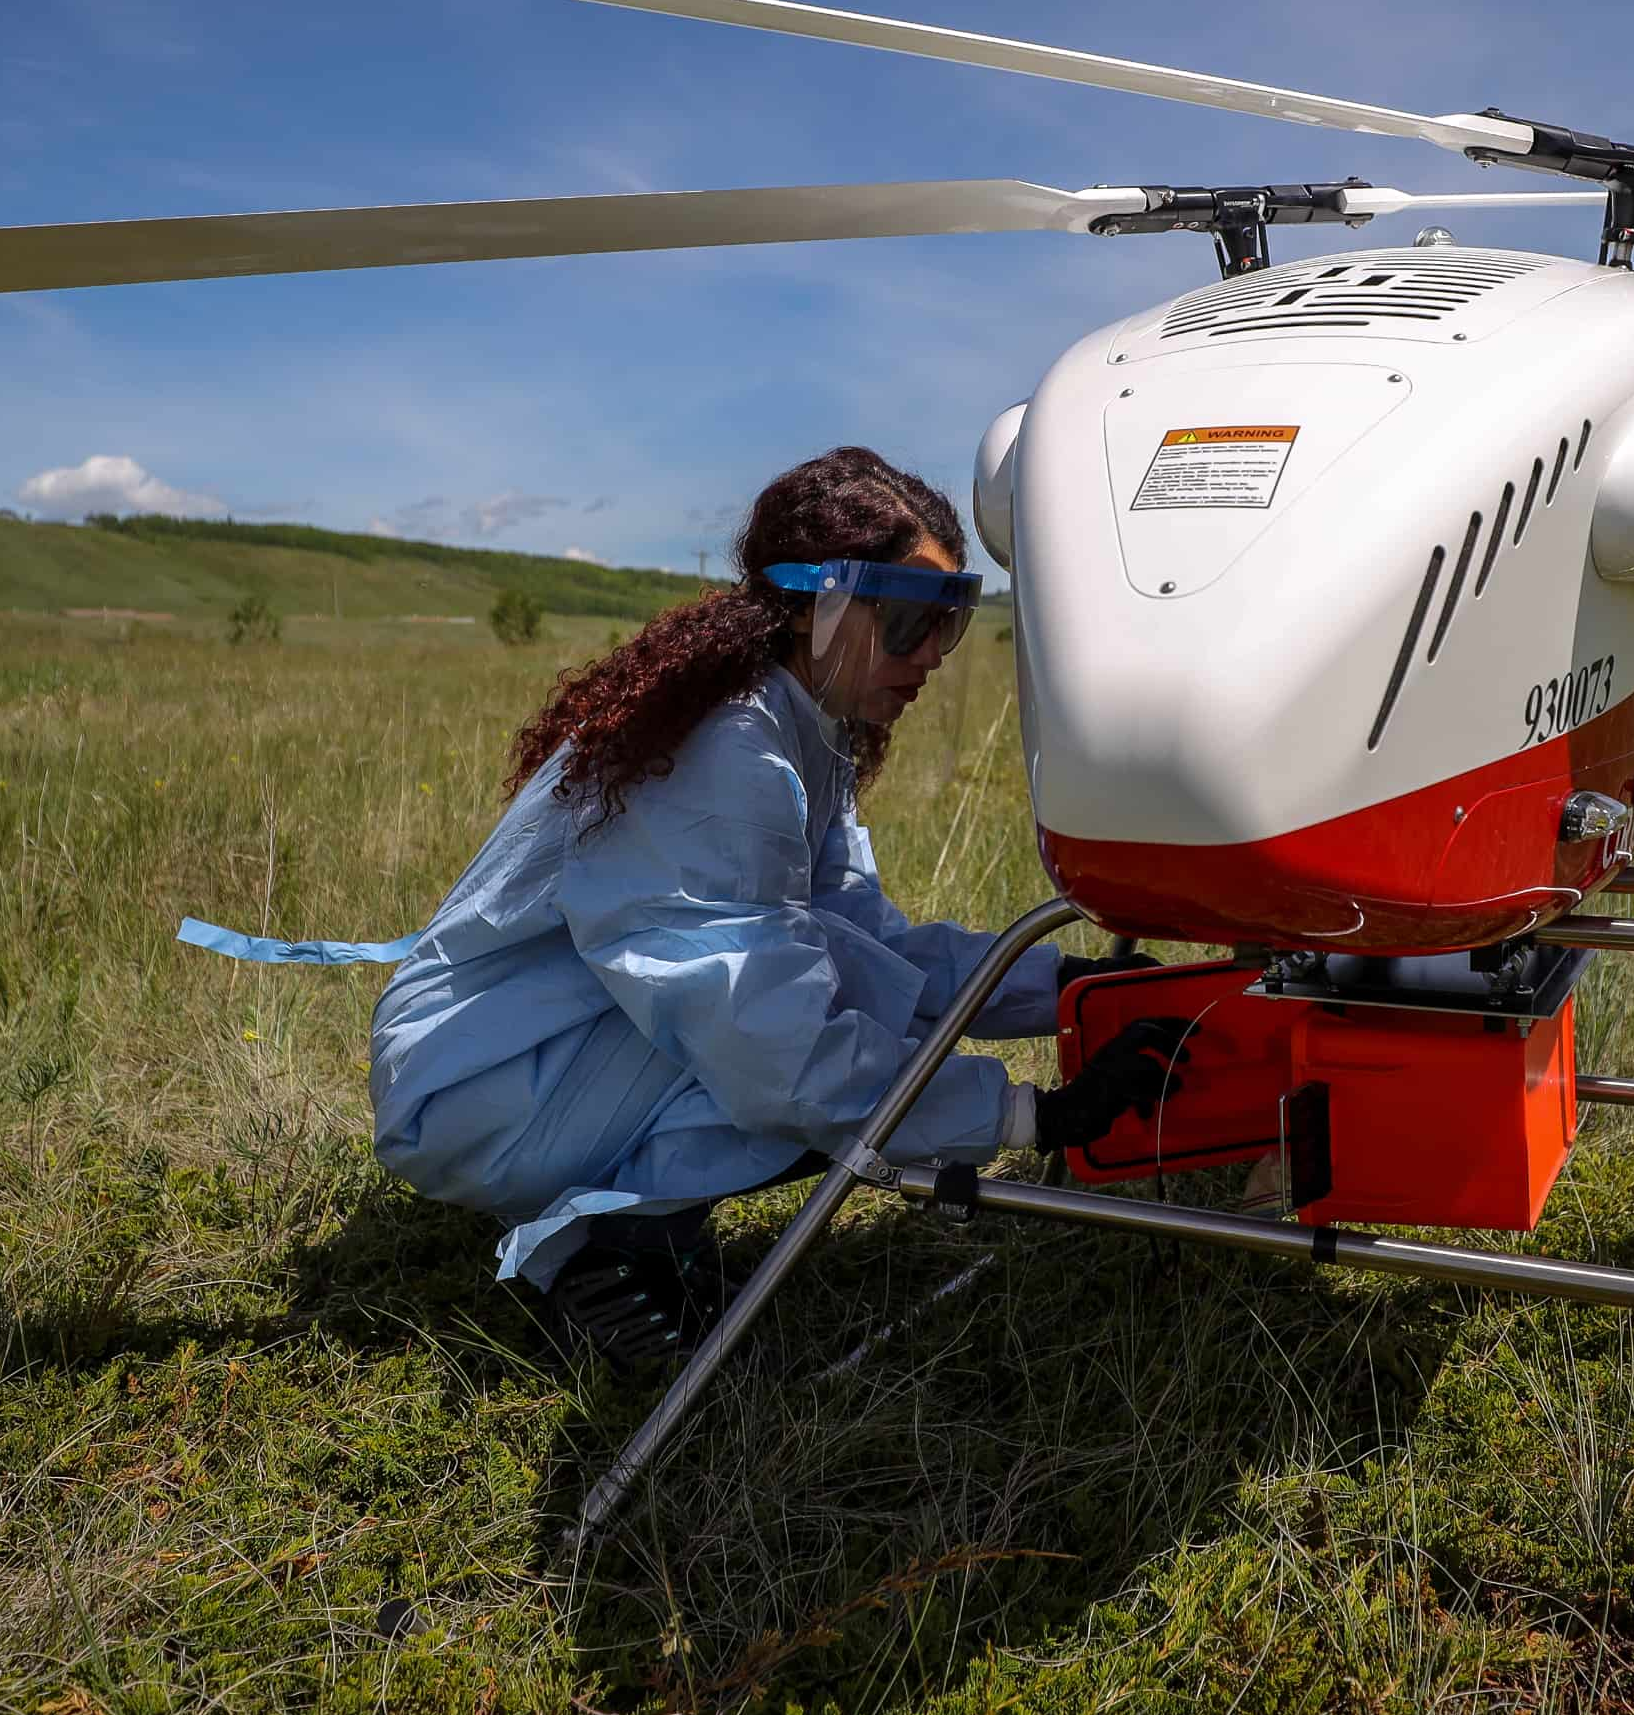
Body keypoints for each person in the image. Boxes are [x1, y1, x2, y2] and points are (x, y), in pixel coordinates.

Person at [366, 446, 1177, 1371]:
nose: (928, 660)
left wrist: (1070, 983)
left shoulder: (798, 731)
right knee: (801, 1031)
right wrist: (1036, 1115)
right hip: (475, 1088)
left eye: (947, 627)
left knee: (833, 971)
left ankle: (627, 1232)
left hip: (524, 1055)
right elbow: (780, 1054)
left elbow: (877, 945)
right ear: (809, 603)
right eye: (907, 621)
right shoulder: (732, 755)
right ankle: (598, 1246)